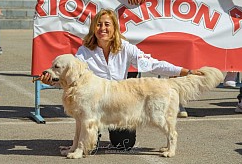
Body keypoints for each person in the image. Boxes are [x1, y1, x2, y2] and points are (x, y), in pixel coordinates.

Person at [40, 9, 203, 151]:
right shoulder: (84, 52)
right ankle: (88, 139)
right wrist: (52, 81)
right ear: (93, 28)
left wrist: (184, 72)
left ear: (114, 28)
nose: (102, 28)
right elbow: (72, 77)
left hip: (120, 100)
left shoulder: (125, 47)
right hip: (95, 102)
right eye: (98, 24)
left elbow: (152, 64)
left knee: (123, 145)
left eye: (107, 24)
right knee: (89, 134)